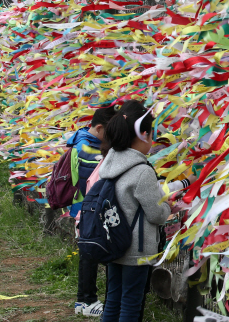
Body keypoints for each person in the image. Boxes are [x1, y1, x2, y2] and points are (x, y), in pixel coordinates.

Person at [98, 100, 173, 322]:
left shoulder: (109, 164)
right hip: (136, 251)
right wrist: (168, 206)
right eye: (151, 135)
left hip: (114, 242)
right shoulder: (142, 171)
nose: (152, 141)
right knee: (131, 303)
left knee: (113, 300)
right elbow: (157, 213)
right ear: (142, 135)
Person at [70, 105, 117, 318]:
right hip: (87, 212)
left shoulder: (81, 140)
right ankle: (87, 300)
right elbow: (98, 178)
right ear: (99, 128)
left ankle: (83, 299)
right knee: (89, 256)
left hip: (83, 210)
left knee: (87, 256)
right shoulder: (87, 148)